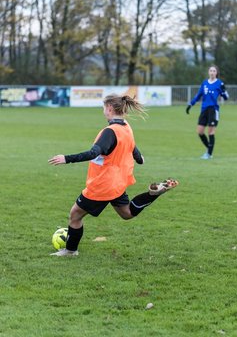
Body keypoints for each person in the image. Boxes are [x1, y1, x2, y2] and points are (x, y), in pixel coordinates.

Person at [48, 93, 179, 256]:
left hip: (103, 184)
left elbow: (93, 152)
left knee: (75, 215)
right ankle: (152, 194)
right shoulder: (126, 127)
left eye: (104, 108)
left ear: (109, 108)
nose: (103, 111)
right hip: (118, 182)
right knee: (127, 213)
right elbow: (132, 146)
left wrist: (66, 158)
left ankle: (70, 251)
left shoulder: (110, 132)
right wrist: (140, 159)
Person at [186, 65, 229, 159]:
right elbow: (198, 95)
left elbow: (226, 97)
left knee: (211, 132)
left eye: (214, 71)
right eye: (211, 70)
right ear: (208, 72)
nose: (212, 72)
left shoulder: (219, 83)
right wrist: (190, 104)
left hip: (213, 110)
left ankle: (209, 154)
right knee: (200, 131)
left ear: (216, 73)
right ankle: (209, 149)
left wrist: (224, 92)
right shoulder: (205, 83)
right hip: (204, 109)